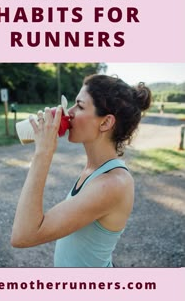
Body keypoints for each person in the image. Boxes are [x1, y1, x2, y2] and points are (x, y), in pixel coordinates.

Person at [11, 74, 151, 267]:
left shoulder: (111, 184)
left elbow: (23, 235)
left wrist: (43, 153)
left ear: (105, 123)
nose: (69, 112)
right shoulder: (94, 169)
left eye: (80, 106)